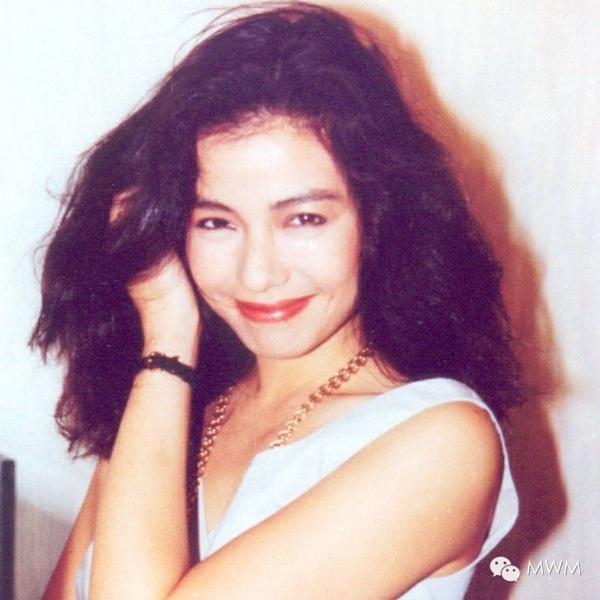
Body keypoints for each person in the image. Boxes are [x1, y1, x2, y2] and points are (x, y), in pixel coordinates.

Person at [33, 2, 523, 598]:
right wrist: (164, 352)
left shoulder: (442, 441)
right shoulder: (166, 406)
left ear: (380, 218)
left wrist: (166, 339)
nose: (258, 274)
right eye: (216, 222)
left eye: (304, 219)